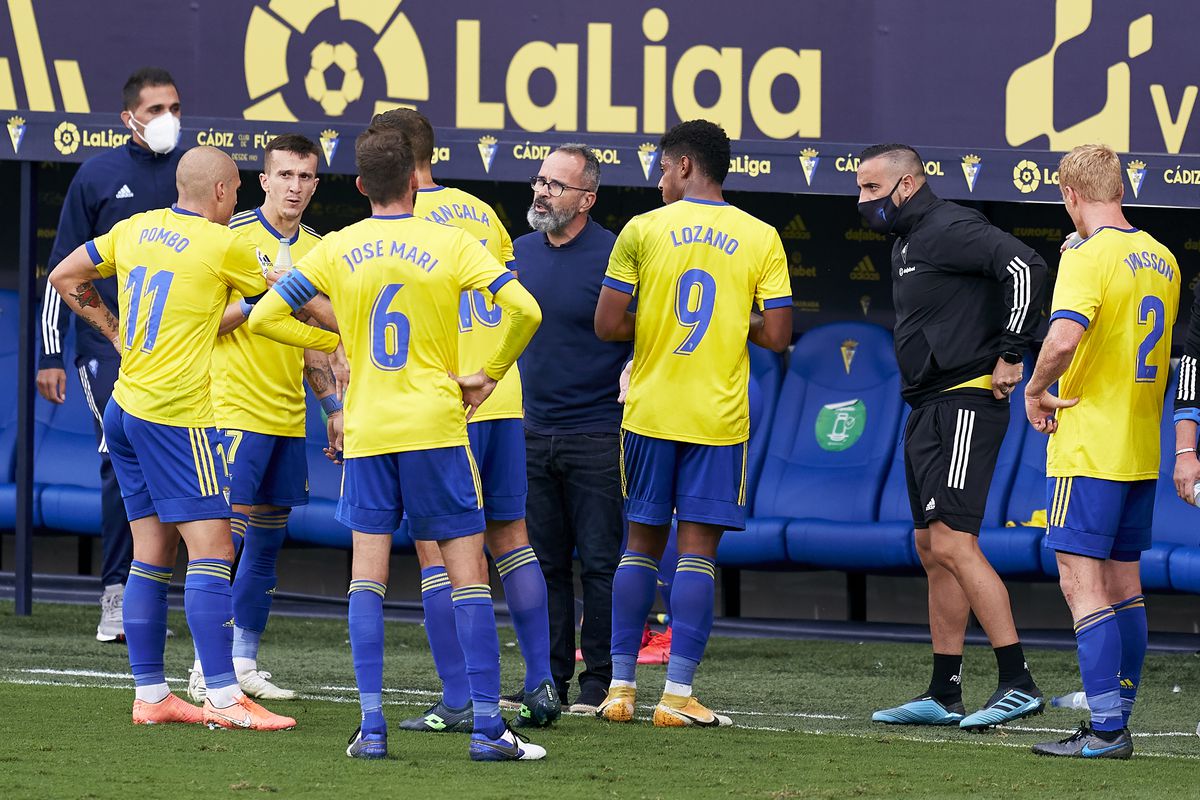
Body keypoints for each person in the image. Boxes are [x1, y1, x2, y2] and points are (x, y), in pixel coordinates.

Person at [248, 127, 546, 761]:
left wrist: (339, 341)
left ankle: (372, 728)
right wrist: (489, 374)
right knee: (467, 575)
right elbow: (527, 311)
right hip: (436, 427)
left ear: (360, 185)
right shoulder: (452, 242)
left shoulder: (337, 247)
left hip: (369, 428)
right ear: (415, 180)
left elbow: (266, 315)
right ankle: (488, 729)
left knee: (367, 579)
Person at [47, 146, 311, 730]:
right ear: (220, 191)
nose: (238, 200)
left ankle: (151, 695)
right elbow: (295, 296)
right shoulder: (223, 244)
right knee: (214, 551)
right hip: (176, 417)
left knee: (150, 554)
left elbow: (65, 275)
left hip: (125, 408)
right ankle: (224, 696)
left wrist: (113, 330)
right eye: (236, 190)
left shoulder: (135, 228)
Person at [593, 120, 792, 727]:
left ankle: (620, 691)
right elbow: (778, 336)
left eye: (662, 168)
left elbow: (607, 324)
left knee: (639, 548)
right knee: (697, 555)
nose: (659, 180)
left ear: (684, 165)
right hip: (717, 419)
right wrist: (732, 321)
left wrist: (656, 321)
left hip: (650, 412)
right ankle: (676, 697)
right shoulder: (761, 235)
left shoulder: (642, 229)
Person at [367, 108, 557, 732]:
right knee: (512, 538)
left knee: (437, 552)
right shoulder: (481, 213)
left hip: (442, 402)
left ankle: (458, 698)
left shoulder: (393, 222)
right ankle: (540, 683)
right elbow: (512, 297)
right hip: (500, 394)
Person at [856, 144, 1048, 731]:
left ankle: (1018, 681)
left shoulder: (948, 224)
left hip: (964, 402)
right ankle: (945, 691)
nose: (862, 200)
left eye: (871, 188)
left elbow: (1026, 268)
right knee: (931, 546)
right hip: (927, 406)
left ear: (907, 184)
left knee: (954, 542)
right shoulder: (906, 240)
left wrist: (1012, 353)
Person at [1026, 144, 1179, 759]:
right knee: (1124, 585)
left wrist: (1034, 389)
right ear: (1120, 188)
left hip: (1089, 446)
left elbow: (1064, 339)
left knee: (1080, 582)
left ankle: (1107, 729)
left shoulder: (1086, 256)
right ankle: (1117, 716)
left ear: (1070, 194)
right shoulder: (1163, 257)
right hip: (1140, 445)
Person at [186, 133, 340, 703]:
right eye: (286, 175)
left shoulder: (320, 249)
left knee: (268, 547)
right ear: (264, 180)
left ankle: (244, 662)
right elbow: (202, 321)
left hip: (288, 417)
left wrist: (333, 409)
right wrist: (262, 302)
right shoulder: (231, 236)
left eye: (305, 177)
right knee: (223, 543)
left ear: (316, 184)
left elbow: (316, 345)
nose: (295, 187)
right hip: (232, 412)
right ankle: (206, 668)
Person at [38, 67, 185, 642]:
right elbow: (61, 267)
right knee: (120, 452)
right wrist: (52, 354)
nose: (168, 118)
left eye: (175, 107)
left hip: (179, 347)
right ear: (128, 118)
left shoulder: (195, 172)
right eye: (155, 110)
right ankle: (118, 594)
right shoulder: (96, 175)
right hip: (109, 343)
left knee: (172, 461)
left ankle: (156, 592)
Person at [515, 144, 630, 713]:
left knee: (601, 565)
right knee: (544, 565)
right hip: (530, 432)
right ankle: (548, 680)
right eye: (540, 180)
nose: (542, 192)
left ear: (587, 199)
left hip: (598, 433)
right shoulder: (516, 253)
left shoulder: (616, 255)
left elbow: (645, 332)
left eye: (556, 185)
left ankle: (599, 682)